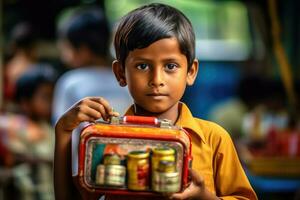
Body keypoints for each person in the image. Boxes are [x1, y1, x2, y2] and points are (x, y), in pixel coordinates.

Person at [54, 3, 257, 200]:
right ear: (120, 73)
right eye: (142, 66)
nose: (157, 80)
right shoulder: (108, 140)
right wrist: (63, 132)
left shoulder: (214, 139)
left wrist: (204, 196)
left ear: (191, 72)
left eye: (170, 66)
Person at [52, 6, 132, 124]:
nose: (64, 56)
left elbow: (61, 127)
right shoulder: (127, 79)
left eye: (67, 48)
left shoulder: (70, 83)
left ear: (84, 50)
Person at [1, 64, 57, 199]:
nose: (51, 103)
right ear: (25, 102)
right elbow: (12, 159)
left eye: (53, 97)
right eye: (45, 97)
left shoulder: (49, 127)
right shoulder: (12, 126)